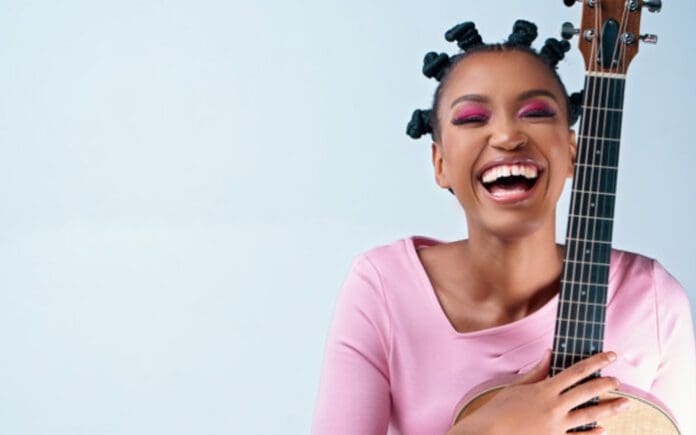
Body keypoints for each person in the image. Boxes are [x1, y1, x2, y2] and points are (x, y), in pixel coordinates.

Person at [311, 19, 696, 435]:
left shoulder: (652, 299)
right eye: (473, 118)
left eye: (535, 112)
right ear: (440, 164)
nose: (508, 135)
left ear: (572, 151)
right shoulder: (384, 289)